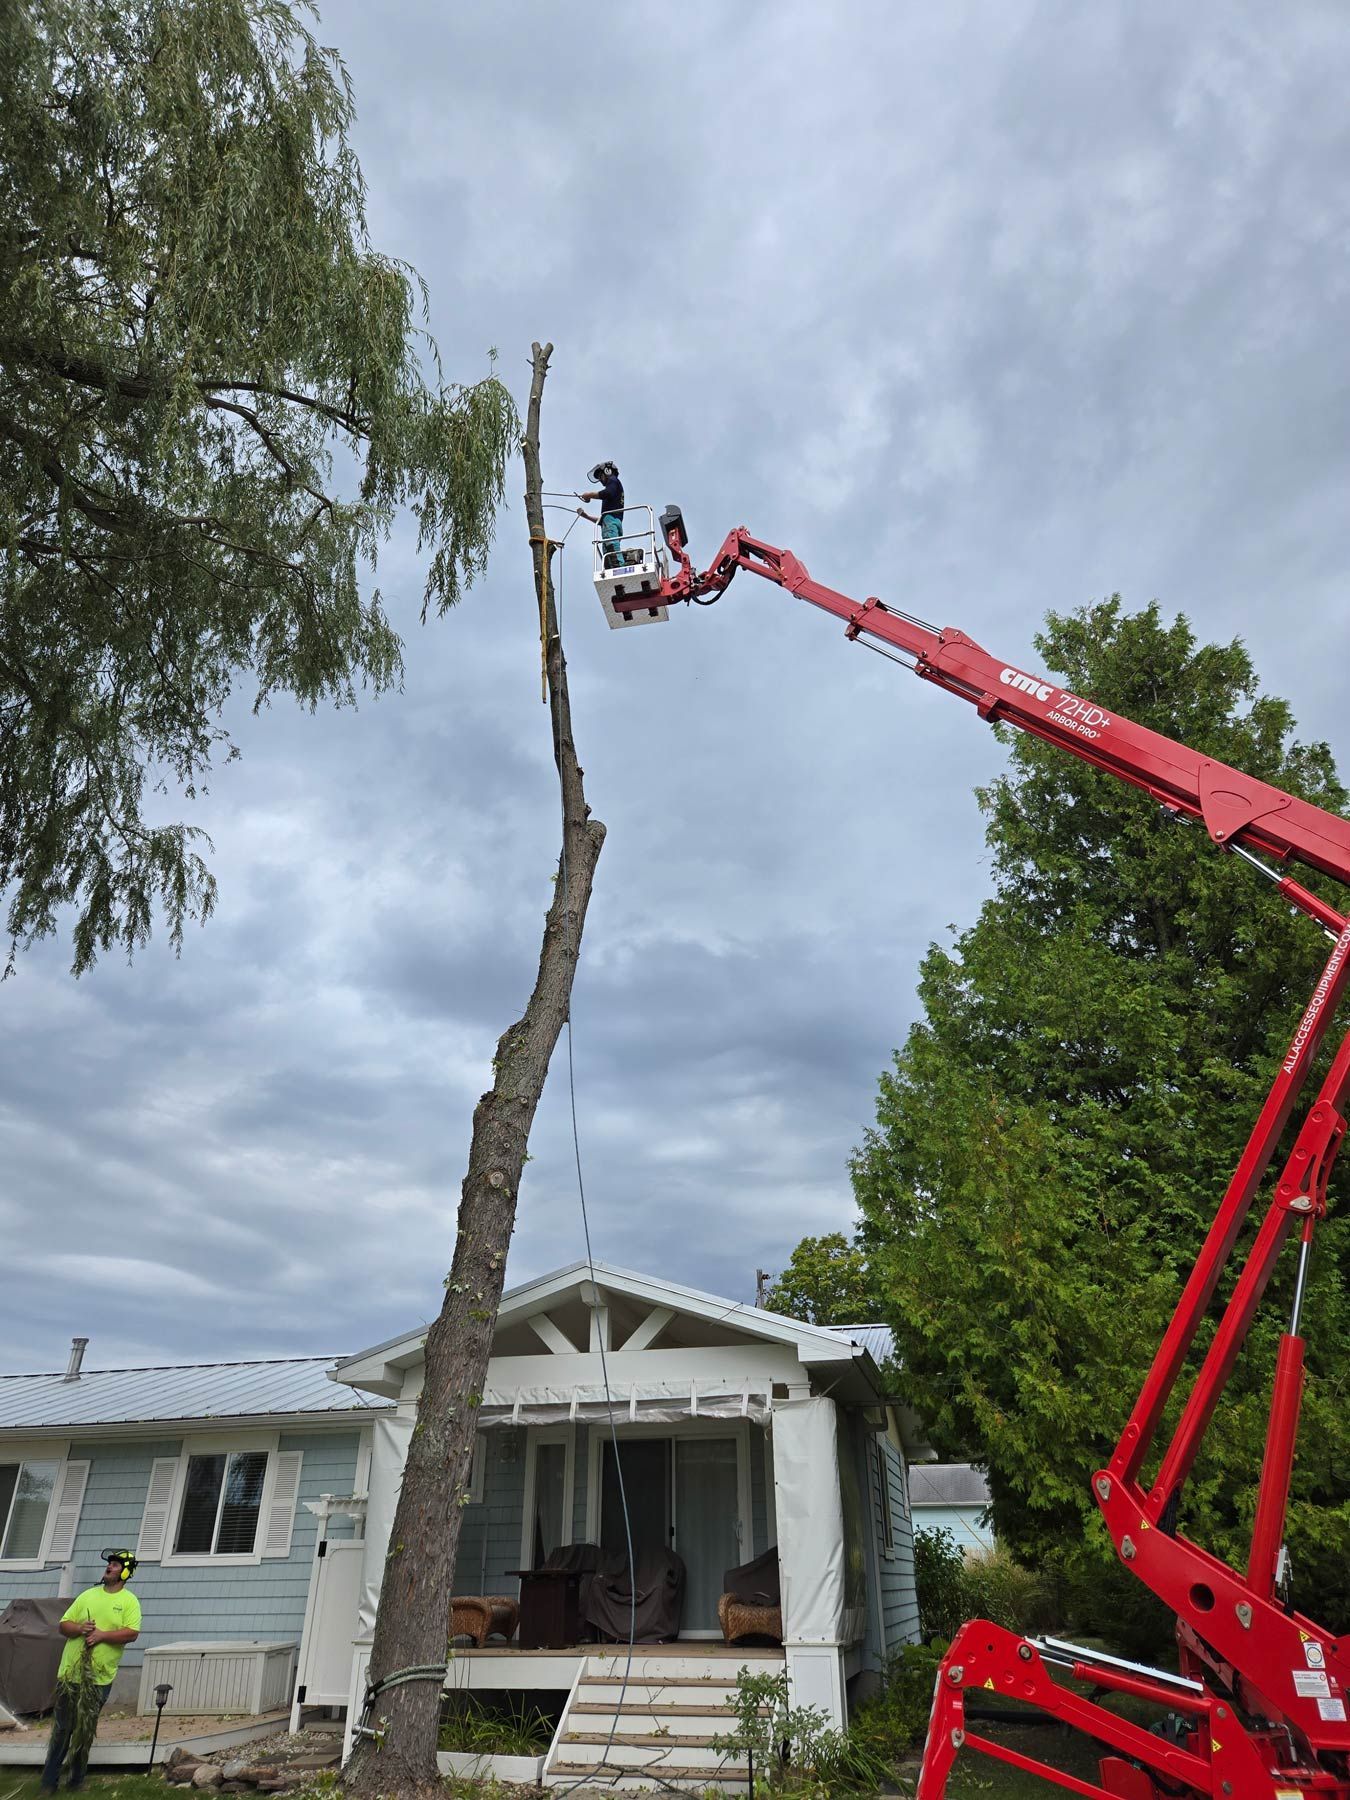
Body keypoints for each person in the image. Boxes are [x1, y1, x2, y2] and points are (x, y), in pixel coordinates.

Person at [41, 1550, 142, 1792]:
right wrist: (80, 1628)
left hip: (98, 1678)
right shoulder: (87, 1595)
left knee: (84, 1730)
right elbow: (63, 1625)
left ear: (125, 1572)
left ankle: (76, 1781)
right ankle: (48, 1783)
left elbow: (132, 1633)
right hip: (70, 1675)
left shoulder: (129, 1601)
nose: (110, 1567)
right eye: (110, 1564)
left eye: (116, 1565)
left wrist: (102, 1635)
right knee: (62, 1729)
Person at [577, 460, 624, 566]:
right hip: (611, 523)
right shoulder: (611, 511)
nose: (600, 480)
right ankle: (612, 568)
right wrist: (586, 516)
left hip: (611, 525)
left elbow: (607, 493)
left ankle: (619, 567)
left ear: (607, 471)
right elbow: (603, 521)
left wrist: (589, 495)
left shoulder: (613, 480)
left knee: (612, 548)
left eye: (600, 476)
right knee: (608, 556)